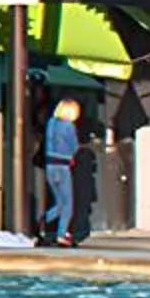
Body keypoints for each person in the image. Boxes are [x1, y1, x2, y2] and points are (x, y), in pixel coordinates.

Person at [42, 98, 84, 246]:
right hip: (62, 166)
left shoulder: (51, 123)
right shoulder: (69, 126)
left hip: (50, 165)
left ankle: (41, 222)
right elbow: (74, 147)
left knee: (59, 203)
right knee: (67, 204)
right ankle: (61, 234)